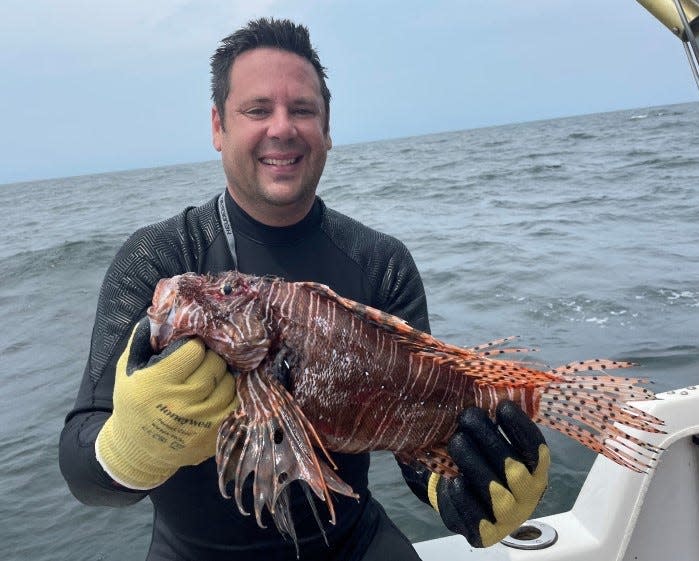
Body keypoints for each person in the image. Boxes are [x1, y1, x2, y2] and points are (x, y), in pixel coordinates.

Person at [59, 17, 550, 561]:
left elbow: (417, 431)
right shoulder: (159, 259)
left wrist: (462, 488)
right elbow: (82, 471)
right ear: (218, 126)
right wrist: (132, 445)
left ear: (327, 128)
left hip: (352, 541)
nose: (282, 128)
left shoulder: (382, 262)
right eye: (257, 109)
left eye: (303, 110)